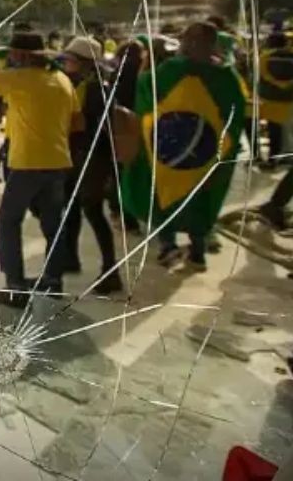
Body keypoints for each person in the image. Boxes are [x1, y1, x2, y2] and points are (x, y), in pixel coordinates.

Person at [0, 31, 78, 306]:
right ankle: (53, 281)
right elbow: (76, 121)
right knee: (53, 224)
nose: (9, 57)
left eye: (12, 53)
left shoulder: (20, 78)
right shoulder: (62, 80)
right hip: (58, 162)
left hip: (27, 163)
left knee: (9, 222)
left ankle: (16, 288)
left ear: (22, 56)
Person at [121, 21, 247, 273]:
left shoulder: (168, 70)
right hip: (206, 155)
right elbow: (236, 114)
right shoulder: (226, 77)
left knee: (163, 197)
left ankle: (168, 246)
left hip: (166, 152)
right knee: (199, 199)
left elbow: (145, 91)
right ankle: (197, 253)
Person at [57, 36, 123, 293]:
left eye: (69, 59)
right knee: (71, 207)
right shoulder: (83, 84)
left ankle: (111, 270)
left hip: (92, 158)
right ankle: (70, 257)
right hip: (78, 156)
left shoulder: (96, 89)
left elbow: (92, 127)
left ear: (83, 63)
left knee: (93, 212)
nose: (65, 63)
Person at [257, 32, 293, 166]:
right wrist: (287, 84)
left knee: (274, 129)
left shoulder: (264, 57)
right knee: (289, 128)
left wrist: (277, 84)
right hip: (290, 98)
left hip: (271, 99)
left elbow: (262, 75)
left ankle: (273, 158)